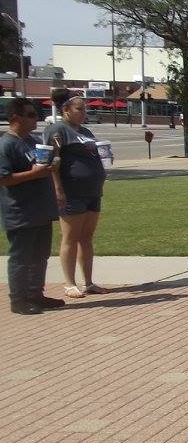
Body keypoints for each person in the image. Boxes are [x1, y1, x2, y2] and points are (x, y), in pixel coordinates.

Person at [0, 97, 65, 315]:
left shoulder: (31, 140)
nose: (35, 118)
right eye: (30, 115)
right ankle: (18, 300)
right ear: (15, 118)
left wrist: (53, 159)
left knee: (40, 255)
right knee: (21, 258)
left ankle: (36, 294)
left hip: (41, 209)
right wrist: (34, 173)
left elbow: (42, 166)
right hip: (20, 211)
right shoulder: (6, 144)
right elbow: (5, 179)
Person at [44, 96, 107, 297]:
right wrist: (58, 189)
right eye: (79, 109)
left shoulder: (86, 132)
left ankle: (89, 282)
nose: (83, 113)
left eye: (84, 109)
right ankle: (70, 283)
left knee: (86, 237)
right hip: (72, 193)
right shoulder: (58, 130)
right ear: (66, 110)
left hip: (92, 191)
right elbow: (52, 162)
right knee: (70, 237)